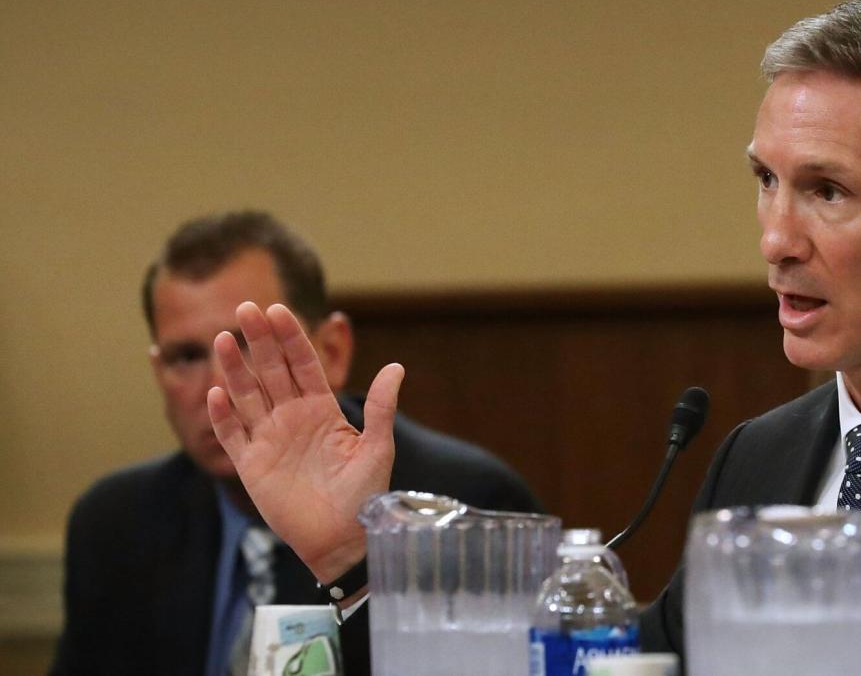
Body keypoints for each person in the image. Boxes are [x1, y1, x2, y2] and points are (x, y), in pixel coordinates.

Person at [201, 0, 861, 676]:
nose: (777, 239)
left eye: (827, 191)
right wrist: (356, 556)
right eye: (766, 183)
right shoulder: (763, 455)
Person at [52, 210, 543, 676]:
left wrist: (352, 563)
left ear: (331, 350)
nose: (216, 388)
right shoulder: (114, 524)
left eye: (247, 344)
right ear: (158, 371)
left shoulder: (467, 504)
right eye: (185, 356)